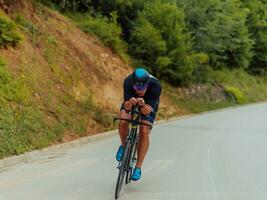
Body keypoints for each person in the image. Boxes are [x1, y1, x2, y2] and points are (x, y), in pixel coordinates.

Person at [116, 67, 162, 181]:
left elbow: (146, 111)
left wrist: (142, 105)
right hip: (132, 101)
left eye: (143, 87)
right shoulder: (128, 82)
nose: (140, 90)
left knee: (144, 130)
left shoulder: (155, 86)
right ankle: (123, 145)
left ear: (148, 84)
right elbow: (126, 107)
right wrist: (130, 103)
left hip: (148, 103)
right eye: (137, 87)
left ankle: (138, 167)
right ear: (133, 84)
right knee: (123, 119)